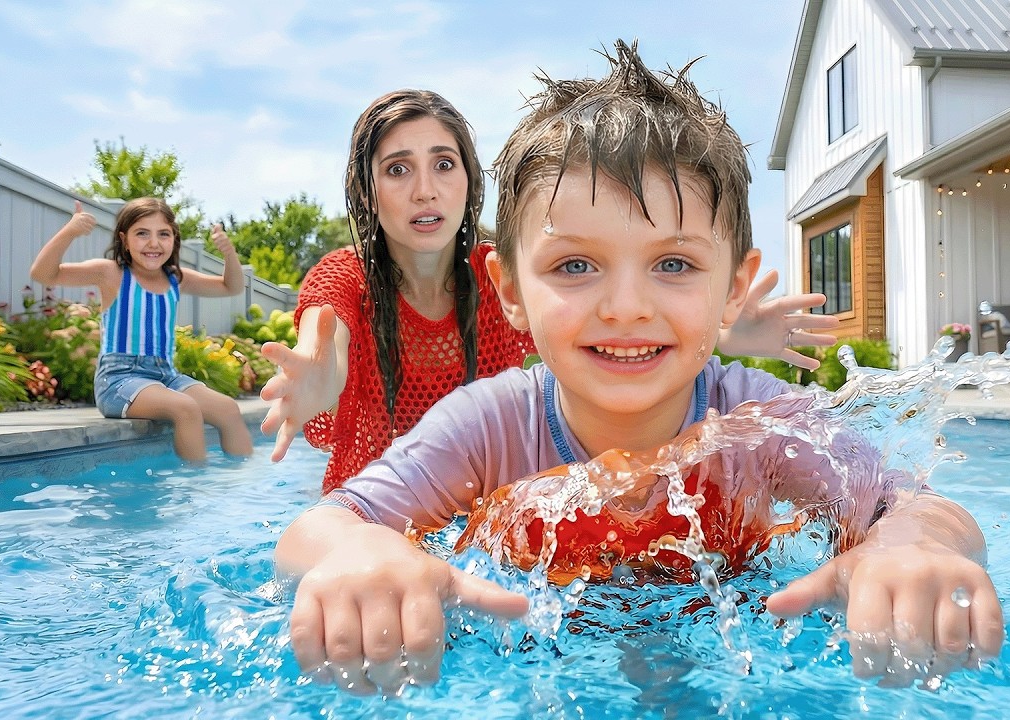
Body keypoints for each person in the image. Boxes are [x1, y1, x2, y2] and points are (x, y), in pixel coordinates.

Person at [274, 41, 1003, 693]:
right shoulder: (490, 424)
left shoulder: (758, 421)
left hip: (732, 652)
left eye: (675, 264)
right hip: (536, 659)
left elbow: (918, 507)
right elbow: (323, 526)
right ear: (510, 291)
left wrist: (908, 547)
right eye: (576, 265)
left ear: (731, 288)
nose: (626, 307)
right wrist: (363, 556)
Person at [258, 89, 838, 493]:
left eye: (443, 164)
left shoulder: (504, 275)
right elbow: (324, 351)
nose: (425, 191)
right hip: (383, 511)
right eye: (398, 169)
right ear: (366, 191)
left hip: (487, 514)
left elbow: (583, 325)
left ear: (469, 181)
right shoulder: (347, 276)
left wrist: (724, 327)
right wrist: (318, 382)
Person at [30, 198, 253, 462]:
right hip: (119, 380)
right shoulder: (111, 273)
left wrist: (229, 254)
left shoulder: (175, 279)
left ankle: (244, 485)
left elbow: (232, 287)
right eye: (142, 233)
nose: (153, 243)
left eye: (163, 234)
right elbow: (43, 274)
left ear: (174, 238)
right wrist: (70, 231)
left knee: (228, 409)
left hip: (165, 376)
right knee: (186, 409)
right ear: (124, 239)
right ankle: (195, 489)